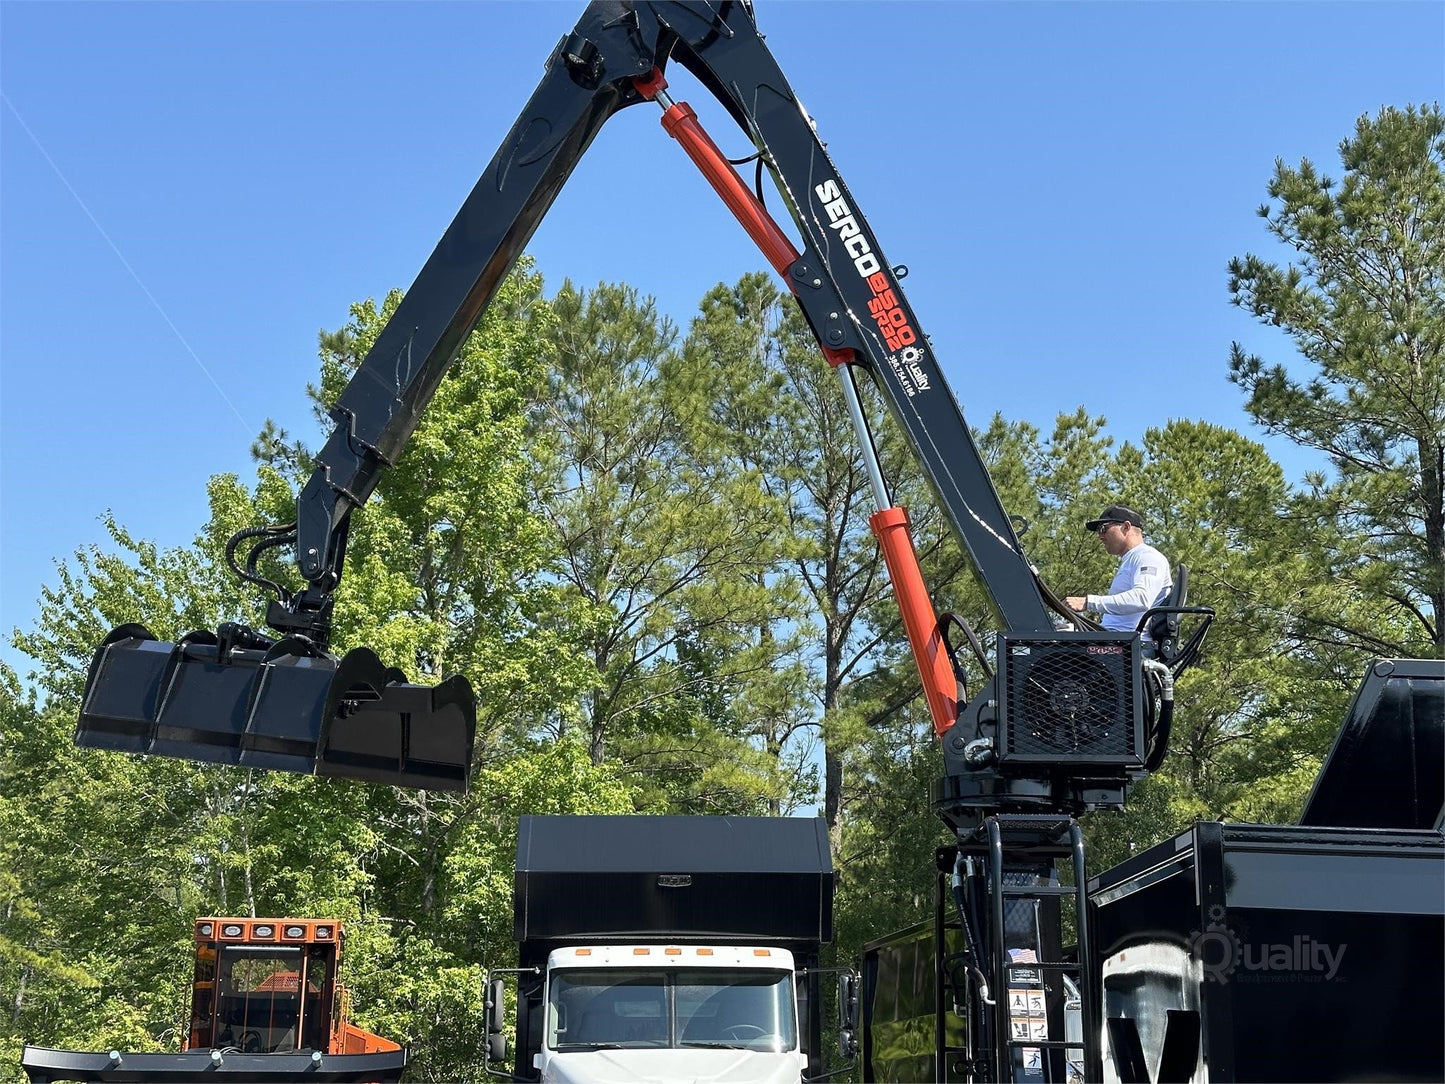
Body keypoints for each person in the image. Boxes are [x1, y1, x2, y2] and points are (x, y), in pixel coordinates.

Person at [1065, 504, 1172, 637]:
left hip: (1127, 647)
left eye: (1103, 529)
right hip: (1114, 641)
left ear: (1126, 527)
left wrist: (1088, 602)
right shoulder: (1131, 560)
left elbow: (1142, 599)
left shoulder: (1148, 557)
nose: (1100, 536)